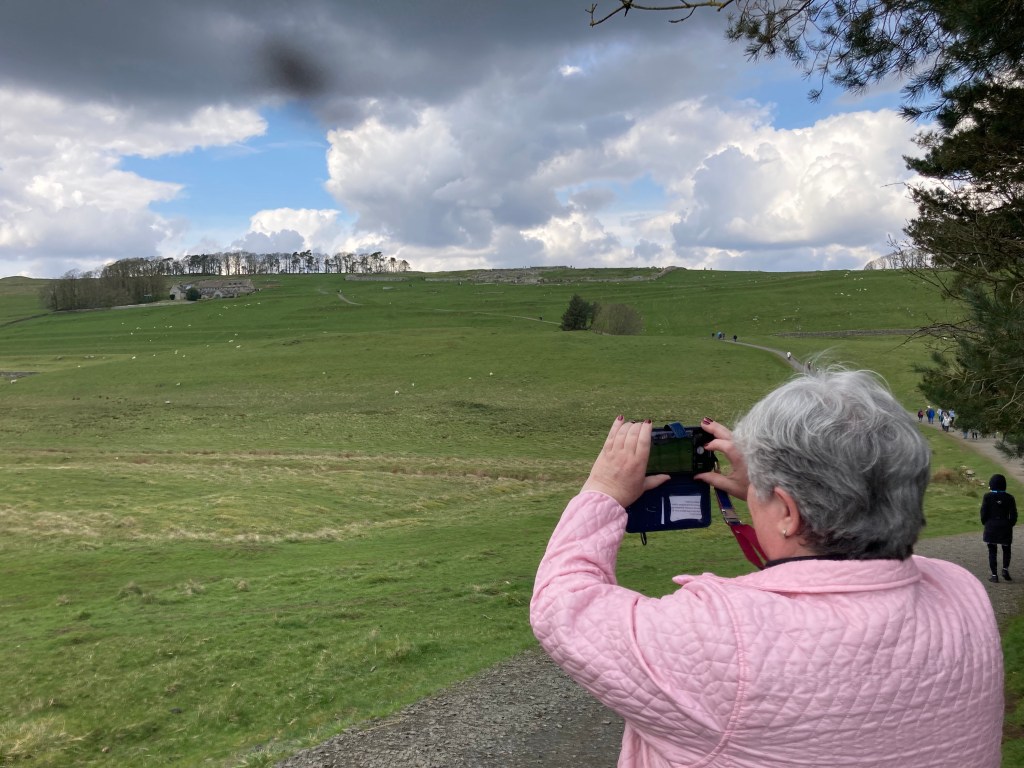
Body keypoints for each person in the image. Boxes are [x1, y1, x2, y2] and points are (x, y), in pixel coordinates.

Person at [531, 369, 1003, 767]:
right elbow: (871, 563)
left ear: (788, 511)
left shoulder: (720, 639)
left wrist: (603, 491)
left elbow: (563, 605)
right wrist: (773, 500)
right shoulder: (960, 593)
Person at [982, 473, 1018, 583]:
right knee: (1006, 549)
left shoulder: (987, 497)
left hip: (991, 527)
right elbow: (1014, 514)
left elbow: (983, 513)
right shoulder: (1009, 498)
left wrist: (986, 523)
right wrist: (1009, 524)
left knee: (992, 551)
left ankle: (994, 575)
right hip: (1005, 527)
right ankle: (1005, 569)